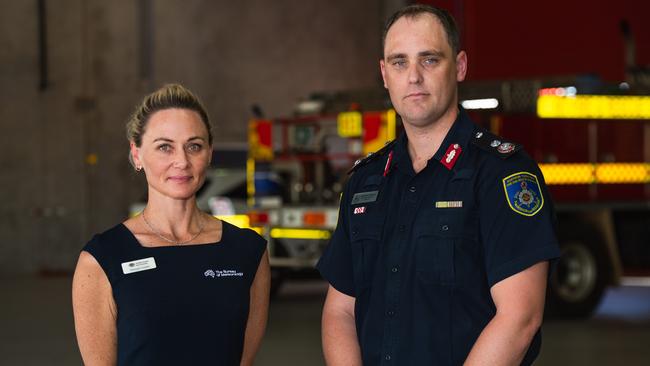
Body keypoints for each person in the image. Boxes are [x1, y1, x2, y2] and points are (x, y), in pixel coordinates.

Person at [317, 5, 560, 365]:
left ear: (459, 66)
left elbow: (520, 318)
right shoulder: (365, 181)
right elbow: (340, 311)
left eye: (429, 60)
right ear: (384, 74)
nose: (413, 76)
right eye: (399, 62)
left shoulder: (501, 174)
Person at [72, 84, 270, 365]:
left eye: (194, 146)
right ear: (137, 154)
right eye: (165, 147)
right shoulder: (102, 258)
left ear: (209, 153)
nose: (182, 161)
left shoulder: (248, 252)